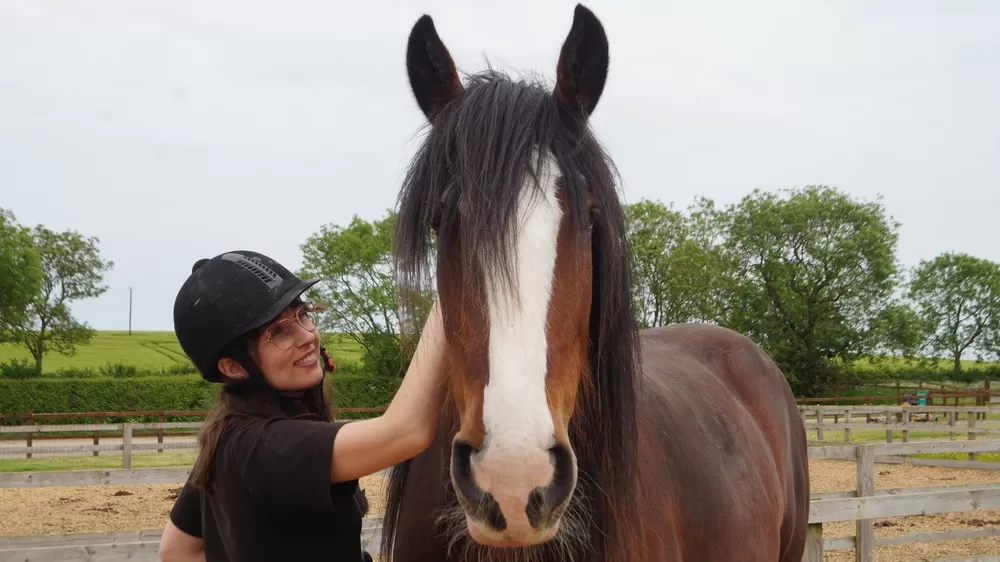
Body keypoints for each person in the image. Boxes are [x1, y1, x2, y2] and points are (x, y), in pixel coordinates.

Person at [157, 250, 448, 562]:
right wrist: (452, 289)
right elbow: (406, 432)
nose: (307, 335)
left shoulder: (228, 439)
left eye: (303, 315)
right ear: (234, 367)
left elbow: (177, 550)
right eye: (278, 331)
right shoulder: (261, 449)